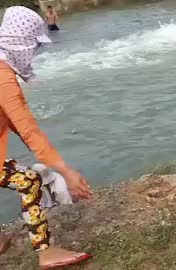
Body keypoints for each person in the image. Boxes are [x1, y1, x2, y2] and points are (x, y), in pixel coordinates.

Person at [0, 6, 93, 269]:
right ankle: (46, 252)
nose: (34, 54)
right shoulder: (2, 76)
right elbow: (28, 129)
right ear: (23, 44)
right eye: (33, 46)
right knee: (29, 181)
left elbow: (15, 123)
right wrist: (65, 170)